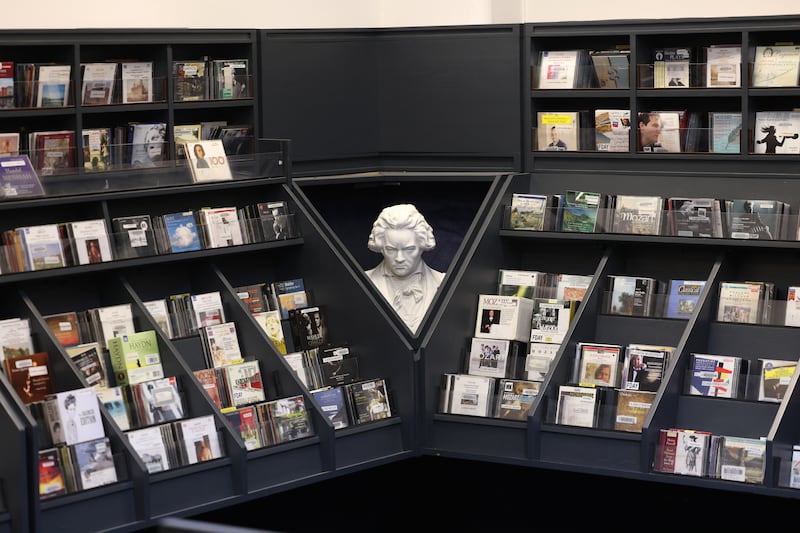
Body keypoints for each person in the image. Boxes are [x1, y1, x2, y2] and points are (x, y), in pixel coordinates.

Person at [365, 204, 445, 332]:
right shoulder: (363, 283)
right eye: (391, 249)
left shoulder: (442, 283)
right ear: (380, 246)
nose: (399, 258)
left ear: (422, 245)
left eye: (409, 249)